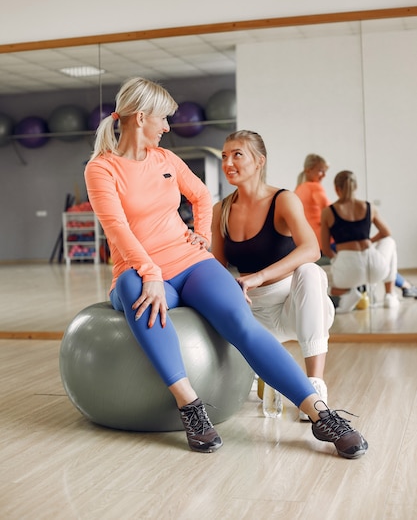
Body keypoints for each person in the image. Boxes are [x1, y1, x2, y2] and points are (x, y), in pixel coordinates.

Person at [84, 77, 368, 460]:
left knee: (241, 321)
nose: (168, 127)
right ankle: (191, 406)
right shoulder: (102, 169)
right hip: (140, 270)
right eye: (163, 119)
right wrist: (150, 273)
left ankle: (319, 412)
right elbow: (116, 228)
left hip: (190, 262)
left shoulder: (166, 159)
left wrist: (200, 234)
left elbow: (201, 195)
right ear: (139, 117)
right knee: (138, 295)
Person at [211, 131, 335, 421]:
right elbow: (216, 267)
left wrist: (258, 276)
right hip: (254, 315)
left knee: (310, 270)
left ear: (259, 161)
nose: (228, 162)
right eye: (224, 156)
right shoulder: (221, 210)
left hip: (296, 306)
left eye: (237, 154)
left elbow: (312, 248)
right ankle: (260, 369)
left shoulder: (283, 200)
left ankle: (314, 386)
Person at [296, 154, 417, 299]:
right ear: (308, 170)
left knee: (366, 258)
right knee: (371, 255)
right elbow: (334, 215)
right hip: (329, 243)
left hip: (315, 242)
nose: (324, 175)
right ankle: (401, 288)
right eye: (320, 170)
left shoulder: (298, 190)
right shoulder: (315, 188)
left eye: (325, 171)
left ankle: (403, 286)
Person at [321, 170, 399, 313]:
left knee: (318, 279)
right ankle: (389, 295)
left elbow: (325, 248)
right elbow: (386, 232)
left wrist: (337, 260)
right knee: (390, 242)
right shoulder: (369, 207)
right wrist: (369, 240)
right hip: (374, 268)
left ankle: (347, 292)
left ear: (336, 188)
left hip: (347, 271)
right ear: (356, 187)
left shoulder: (328, 212)